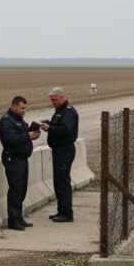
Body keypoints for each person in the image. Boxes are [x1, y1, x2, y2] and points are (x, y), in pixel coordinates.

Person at [0, 96, 41, 231]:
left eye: (25, 108)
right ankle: (13, 221)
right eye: (22, 108)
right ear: (14, 106)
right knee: (15, 190)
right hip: (13, 158)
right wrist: (27, 136)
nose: (24, 111)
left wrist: (32, 135)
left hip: (22, 158)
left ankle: (18, 217)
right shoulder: (6, 121)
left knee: (22, 190)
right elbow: (9, 139)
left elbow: (21, 137)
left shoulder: (19, 120)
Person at [41, 87, 79, 222]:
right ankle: (61, 210)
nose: (53, 102)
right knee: (58, 182)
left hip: (64, 150)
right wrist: (49, 124)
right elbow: (59, 126)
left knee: (63, 182)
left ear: (62, 97)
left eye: (55, 100)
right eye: (51, 100)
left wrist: (50, 128)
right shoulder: (60, 111)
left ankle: (67, 213)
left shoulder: (68, 112)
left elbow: (65, 130)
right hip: (59, 151)